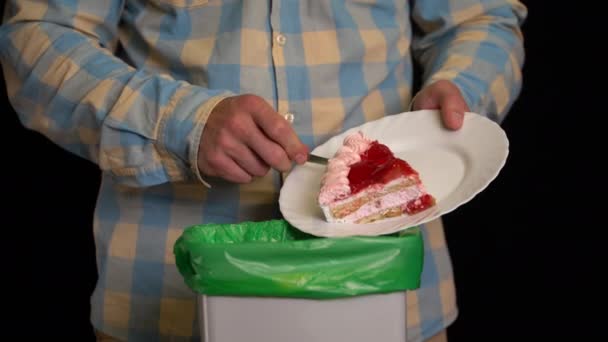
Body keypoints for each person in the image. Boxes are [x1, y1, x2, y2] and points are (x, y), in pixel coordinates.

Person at [0, 0, 527, 341]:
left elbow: (480, 19)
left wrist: (463, 90)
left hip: (391, 294)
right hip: (165, 300)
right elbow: (38, 37)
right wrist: (184, 123)